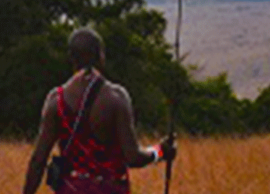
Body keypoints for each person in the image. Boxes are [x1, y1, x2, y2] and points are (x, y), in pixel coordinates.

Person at [22, 28, 177, 194]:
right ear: (100, 56)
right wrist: (160, 151)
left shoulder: (55, 100)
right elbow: (133, 157)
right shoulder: (116, 97)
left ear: (72, 58)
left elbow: (38, 161)